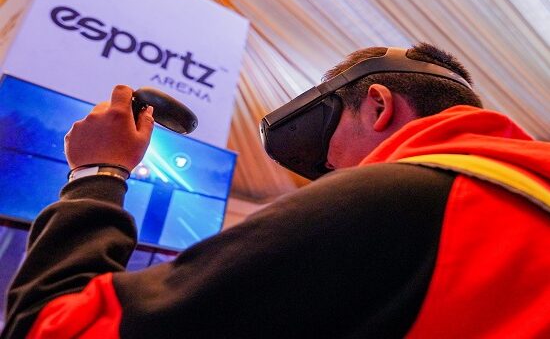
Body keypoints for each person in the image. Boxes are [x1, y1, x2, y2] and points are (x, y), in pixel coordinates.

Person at [2, 43, 549, 338]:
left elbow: (52, 327)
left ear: (379, 106)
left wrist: (97, 170)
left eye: (329, 144)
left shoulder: (391, 200)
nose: (331, 169)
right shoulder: (527, 203)